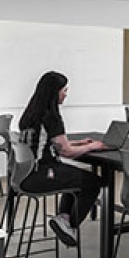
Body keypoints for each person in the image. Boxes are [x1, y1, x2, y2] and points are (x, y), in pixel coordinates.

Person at [18, 71, 104, 247]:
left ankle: (63, 220)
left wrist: (78, 142)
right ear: (53, 92)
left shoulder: (31, 113)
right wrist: (91, 147)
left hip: (24, 174)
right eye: (63, 90)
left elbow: (48, 142)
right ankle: (69, 225)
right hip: (40, 174)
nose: (66, 94)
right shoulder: (51, 116)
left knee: (73, 178)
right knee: (93, 182)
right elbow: (66, 152)